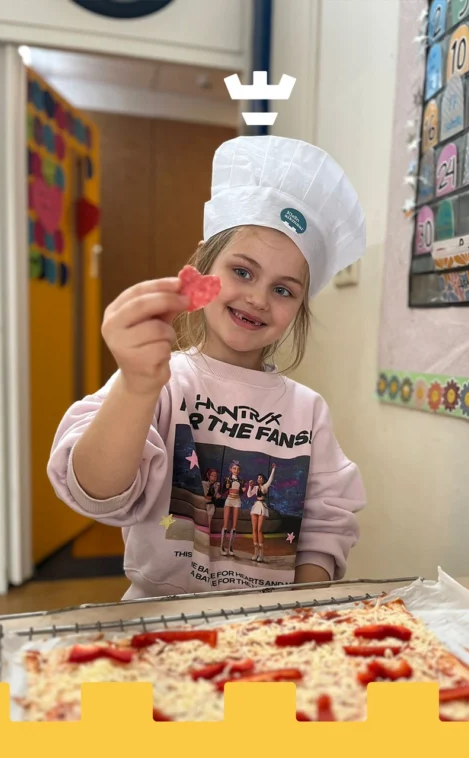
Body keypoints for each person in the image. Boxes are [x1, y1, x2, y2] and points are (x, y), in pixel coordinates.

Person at [47, 135, 367, 600]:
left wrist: (296, 613)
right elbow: (95, 490)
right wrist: (137, 386)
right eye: (243, 271)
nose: (258, 297)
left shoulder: (308, 411)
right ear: (201, 270)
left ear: (299, 307)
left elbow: (325, 524)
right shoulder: (162, 382)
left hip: (268, 627)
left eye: (284, 290)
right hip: (157, 624)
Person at [247, 463, 276, 563]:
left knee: (259, 529)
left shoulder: (265, 487)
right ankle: (255, 552)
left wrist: (273, 469)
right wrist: (250, 486)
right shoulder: (255, 488)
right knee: (254, 529)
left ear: (263, 480)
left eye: (260, 478)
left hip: (262, 507)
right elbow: (249, 495)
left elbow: (270, 479)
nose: (259, 479)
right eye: (258, 478)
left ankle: (261, 554)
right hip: (256, 507)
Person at [221, 461, 245, 556]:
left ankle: (230, 547)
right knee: (225, 524)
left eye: (238, 469)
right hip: (229, 500)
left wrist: (242, 490)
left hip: (237, 501)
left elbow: (242, 493)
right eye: (234, 468)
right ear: (230, 469)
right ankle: (222, 546)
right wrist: (225, 487)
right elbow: (222, 491)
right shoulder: (227, 479)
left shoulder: (241, 481)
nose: (236, 470)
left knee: (234, 525)